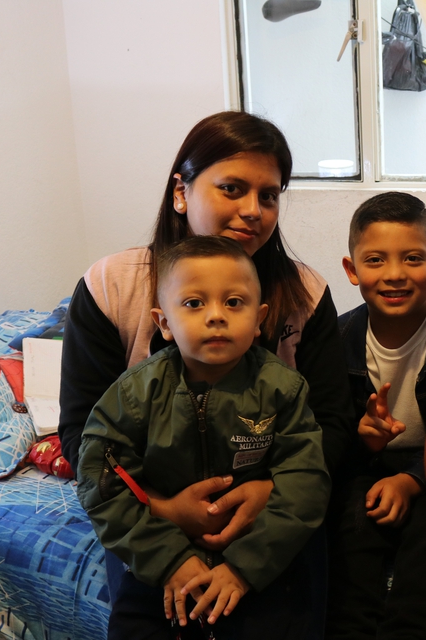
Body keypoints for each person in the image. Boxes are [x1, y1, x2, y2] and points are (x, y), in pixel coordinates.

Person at [57, 111, 352, 635]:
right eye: (232, 189)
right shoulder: (112, 285)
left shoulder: (305, 295)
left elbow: (330, 424)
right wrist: (162, 510)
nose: (252, 211)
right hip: (149, 519)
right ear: (181, 192)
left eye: (268, 195)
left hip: (272, 516)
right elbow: (84, 435)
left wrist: (269, 493)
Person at [77, 235, 330, 637]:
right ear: (164, 323)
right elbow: (101, 482)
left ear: (259, 317)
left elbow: (306, 485)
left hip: (258, 565)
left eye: (234, 302)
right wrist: (169, 559)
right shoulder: (134, 393)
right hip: (159, 567)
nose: (216, 316)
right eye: (194, 303)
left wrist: (245, 568)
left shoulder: (283, 388)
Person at [326, 192, 426, 639]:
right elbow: (322, 438)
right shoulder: (335, 340)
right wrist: (361, 440)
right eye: (376, 260)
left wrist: (413, 480)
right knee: (352, 531)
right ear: (352, 270)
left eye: (413, 258)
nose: (396, 275)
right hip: (363, 467)